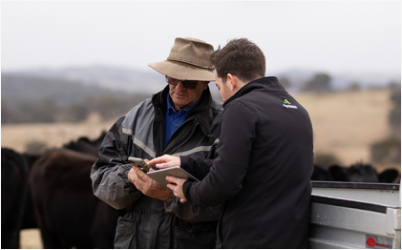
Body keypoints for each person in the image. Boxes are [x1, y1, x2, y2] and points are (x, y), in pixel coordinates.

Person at [148, 38, 314, 248]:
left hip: (249, 240)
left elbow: (223, 183)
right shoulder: (298, 111)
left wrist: (187, 190)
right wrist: (184, 163)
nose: (223, 96)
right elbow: (247, 168)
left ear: (230, 80)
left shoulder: (240, 108)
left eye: (218, 86)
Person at [90, 37, 223, 249]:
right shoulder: (134, 117)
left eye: (188, 82)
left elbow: (230, 201)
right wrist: (129, 177)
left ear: (206, 82)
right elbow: (99, 178)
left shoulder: (224, 126)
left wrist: (171, 196)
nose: (179, 87)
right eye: (172, 78)